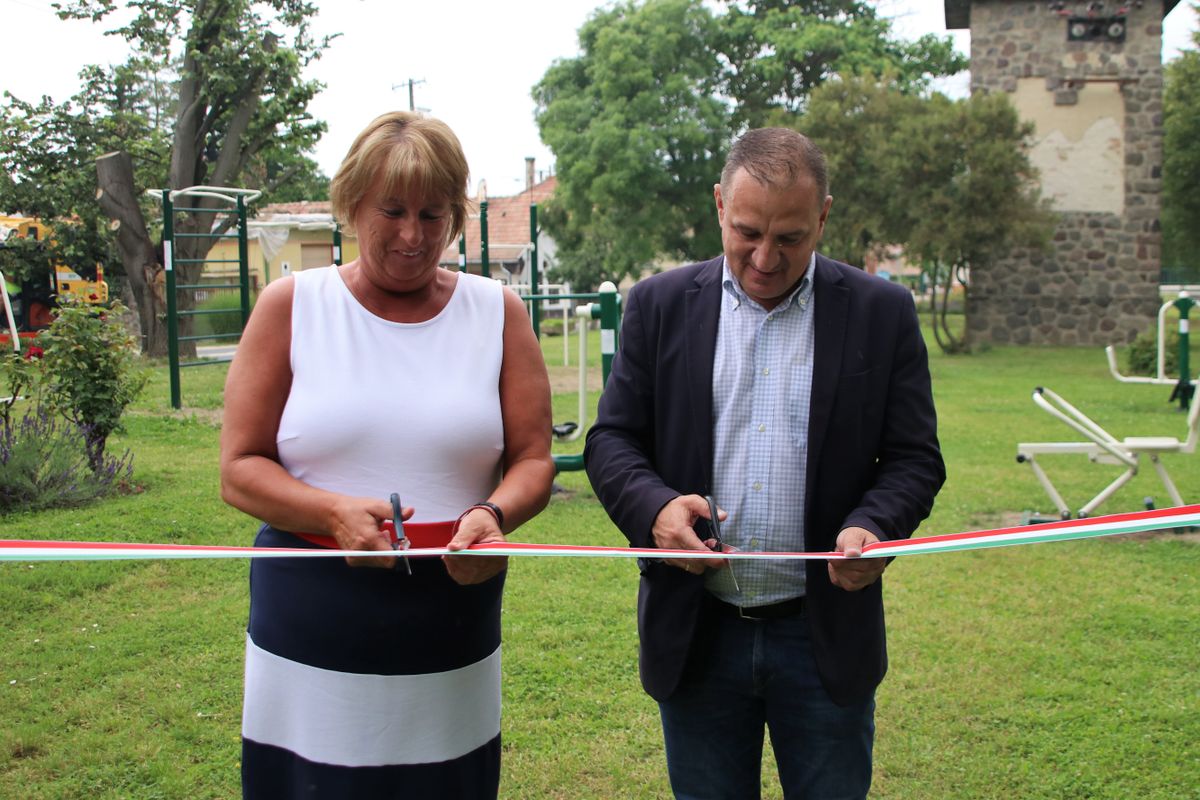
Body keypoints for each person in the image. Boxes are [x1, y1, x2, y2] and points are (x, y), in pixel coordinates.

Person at [584, 127, 945, 799]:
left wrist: (875, 523)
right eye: (748, 231)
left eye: (791, 238)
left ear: (824, 217)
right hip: (698, 635)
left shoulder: (881, 312)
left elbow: (913, 458)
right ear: (720, 204)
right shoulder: (658, 305)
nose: (766, 258)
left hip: (824, 639)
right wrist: (656, 509)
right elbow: (611, 441)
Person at [220, 111, 554, 799]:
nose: (413, 235)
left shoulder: (497, 312)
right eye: (392, 211)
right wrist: (331, 511)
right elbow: (239, 469)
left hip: (450, 610)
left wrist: (494, 512)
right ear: (350, 205)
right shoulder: (291, 306)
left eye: (433, 215)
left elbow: (533, 460)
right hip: (313, 610)